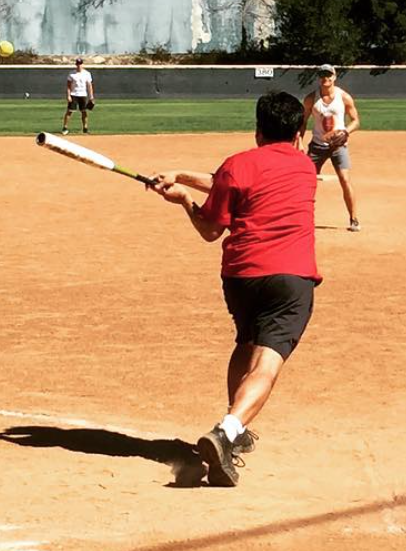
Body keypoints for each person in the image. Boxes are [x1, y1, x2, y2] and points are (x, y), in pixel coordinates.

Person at [151, 90, 320, 488]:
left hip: (241, 278)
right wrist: (181, 179)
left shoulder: (237, 165)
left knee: (245, 343)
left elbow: (212, 223)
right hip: (290, 278)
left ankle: (234, 427)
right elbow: (227, 184)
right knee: (267, 361)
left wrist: (184, 200)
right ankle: (227, 430)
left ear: (257, 131)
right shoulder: (305, 166)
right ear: (299, 133)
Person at [302, 64, 361, 232]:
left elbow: (356, 120)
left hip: (338, 146)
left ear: (334, 77)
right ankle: (301, 217)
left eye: (329, 75)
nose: (325, 78)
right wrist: (298, 141)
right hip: (317, 146)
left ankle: (354, 218)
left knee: (345, 180)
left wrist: (345, 131)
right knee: (305, 182)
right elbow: (303, 121)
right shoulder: (311, 99)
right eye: (322, 75)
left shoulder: (343, 97)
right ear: (319, 78)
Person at [63, 58, 95, 134]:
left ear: (82, 65)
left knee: (84, 112)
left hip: (83, 95)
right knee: (69, 111)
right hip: (74, 94)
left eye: (80, 64)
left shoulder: (87, 74)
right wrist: (68, 96)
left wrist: (91, 97)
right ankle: (65, 127)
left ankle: (85, 128)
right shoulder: (72, 74)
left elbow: (89, 86)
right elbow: (68, 86)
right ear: (76, 65)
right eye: (77, 64)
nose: (79, 65)